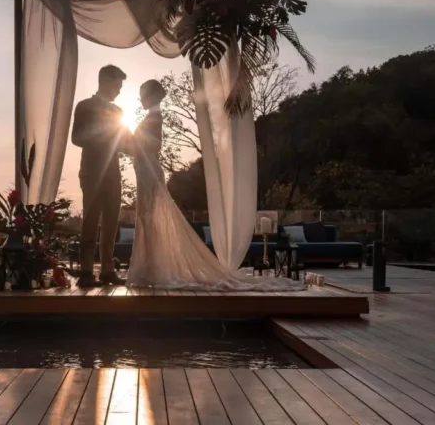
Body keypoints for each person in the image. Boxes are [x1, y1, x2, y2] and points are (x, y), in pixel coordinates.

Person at [126, 79, 304, 292]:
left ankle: (151, 269)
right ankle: (149, 268)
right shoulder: (151, 117)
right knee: (147, 220)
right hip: (145, 171)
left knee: (150, 220)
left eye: (142, 93)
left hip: (149, 173)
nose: (140, 98)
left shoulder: (154, 118)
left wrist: (133, 142)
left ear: (150, 96)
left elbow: (154, 145)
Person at [71, 65, 133, 287]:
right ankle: (86, 271)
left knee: (111, 222)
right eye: (117, 84)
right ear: (104, 81)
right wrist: (103, 134)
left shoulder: (119, 112)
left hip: (113, 174)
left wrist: (142, 150)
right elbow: (76, 138)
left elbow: (126, 142)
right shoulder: (84, 106)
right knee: (90, 221)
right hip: (91, 173)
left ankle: (107, 269)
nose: (119, 90)